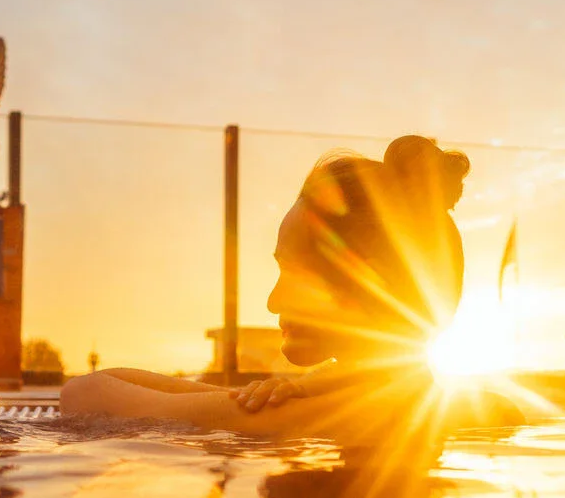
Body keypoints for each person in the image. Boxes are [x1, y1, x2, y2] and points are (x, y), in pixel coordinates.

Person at [60, 135, 520, 438]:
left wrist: (282, 395)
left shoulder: (338, 417)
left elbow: (85, 395)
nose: (274, 299)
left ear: (369, 285)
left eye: (294, 274)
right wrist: (297, 386)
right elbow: (114, 383)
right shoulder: (413, 405)